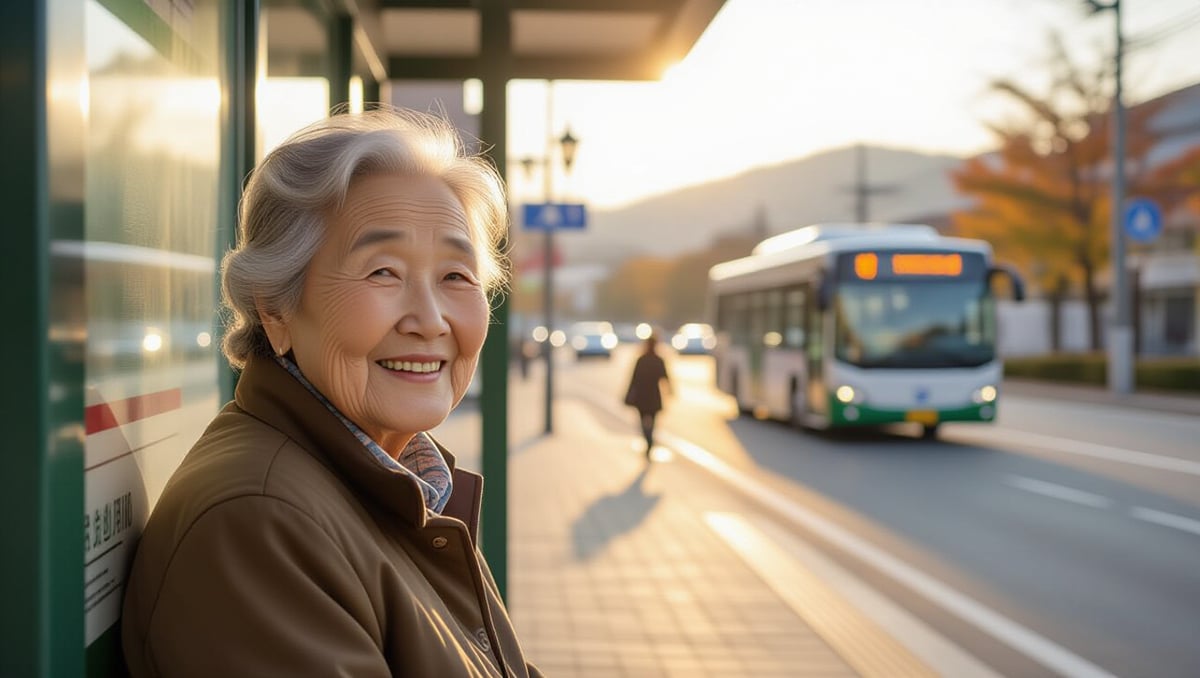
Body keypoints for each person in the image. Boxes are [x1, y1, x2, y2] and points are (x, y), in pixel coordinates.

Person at [122, 108, 542, 678]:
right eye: (383, 273)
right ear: (276, 311)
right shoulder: (259, 525)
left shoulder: (393, 483)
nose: (430, 319)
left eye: (456, 277)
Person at [623, 334, 673, 458]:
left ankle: (648, 439)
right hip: (654, 395)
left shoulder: (641, 360)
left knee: (643, 420)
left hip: (641, 396)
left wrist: (629, 394)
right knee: (653, 420)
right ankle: (650, 439)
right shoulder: (658, 360)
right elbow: (665, 378)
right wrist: (670, 390)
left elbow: (633, 379)